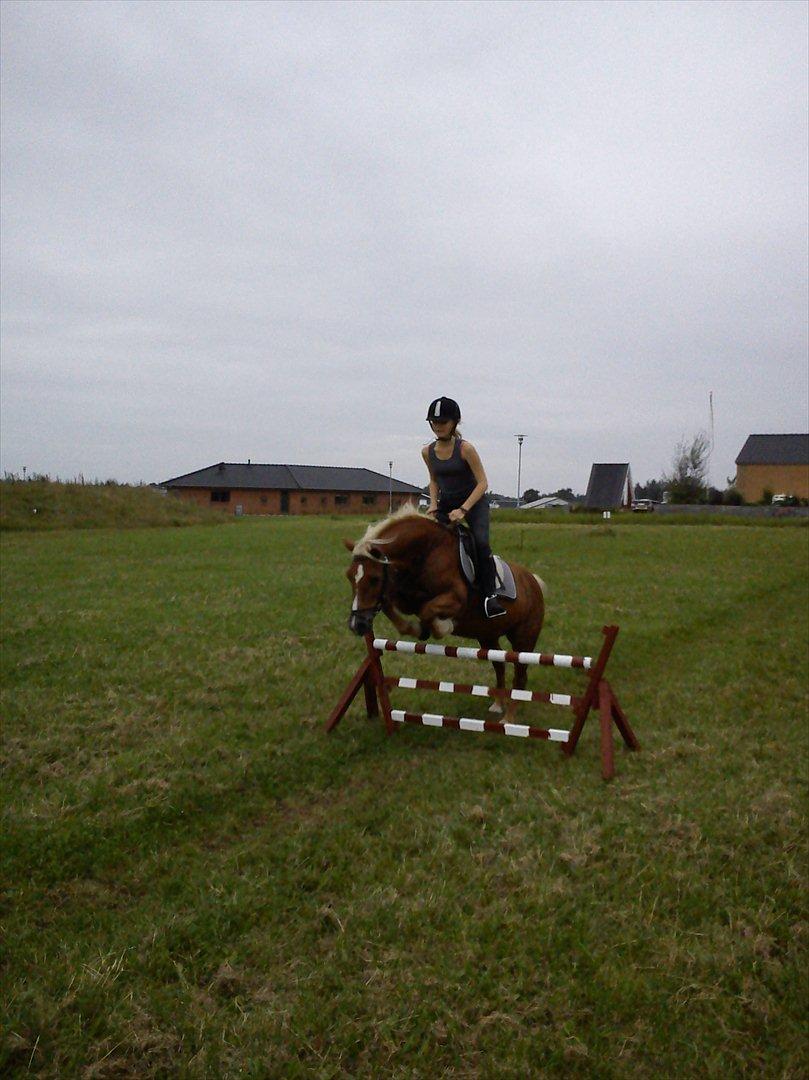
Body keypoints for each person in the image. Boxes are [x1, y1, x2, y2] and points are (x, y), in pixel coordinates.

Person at [421, 397, 506, 618]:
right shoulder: (427, 452)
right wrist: (433, 504)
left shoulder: (465, 449)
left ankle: (490, 596)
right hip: (446, 502)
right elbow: (434, 480)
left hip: (473, 504)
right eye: (434, 422)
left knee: (480, 543)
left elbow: (483, 483)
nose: (438, 426)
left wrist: (463, 510)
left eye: (443, 422)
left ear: (455, 422)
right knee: (428, 539)